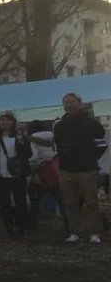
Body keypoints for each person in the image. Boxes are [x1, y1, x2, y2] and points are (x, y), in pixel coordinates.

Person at [54, 92, 108, 243]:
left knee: (91, 202)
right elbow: (58, 146)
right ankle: (74, 232)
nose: (69, 105)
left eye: (72, 102)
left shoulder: (92, 124)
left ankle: (94, 233)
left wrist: (89, 157)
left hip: (87, 169)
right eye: (66, 103)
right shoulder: (59, 126)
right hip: (66, 170)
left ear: (79, 103)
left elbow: (102, 145)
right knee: (70, 203)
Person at [0, 110, 32, 239]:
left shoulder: (20, 136)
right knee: (4, 203)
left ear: (13, 122)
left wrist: (22, 144)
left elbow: (29, 154)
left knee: (20, 202)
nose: (5, 123)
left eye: (8, 120)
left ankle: (20, 226)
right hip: (1, 174)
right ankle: (9, 227)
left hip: (18, 174)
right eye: (2, 120)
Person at [27, 120, 68, 234]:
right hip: (56, 172)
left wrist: (31, 168)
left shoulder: (32, 140)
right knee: (61, 200)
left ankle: (32, 224)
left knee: (35, 199)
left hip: (41, 174)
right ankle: (68, 224)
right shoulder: (54, 138)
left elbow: (33, 157)